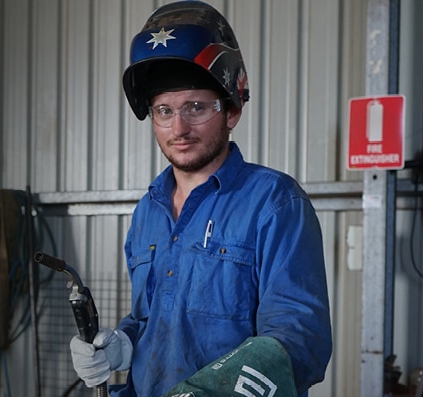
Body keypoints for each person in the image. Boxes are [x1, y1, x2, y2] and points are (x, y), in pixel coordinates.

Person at [70, 1, 332, 396]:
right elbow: (149, 318)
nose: (179, 127)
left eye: (196, 107)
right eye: (164, 110)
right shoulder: (148, 211)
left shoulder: (275, 203)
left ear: (231, 110)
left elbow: (298, 339)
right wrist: (121, 346)